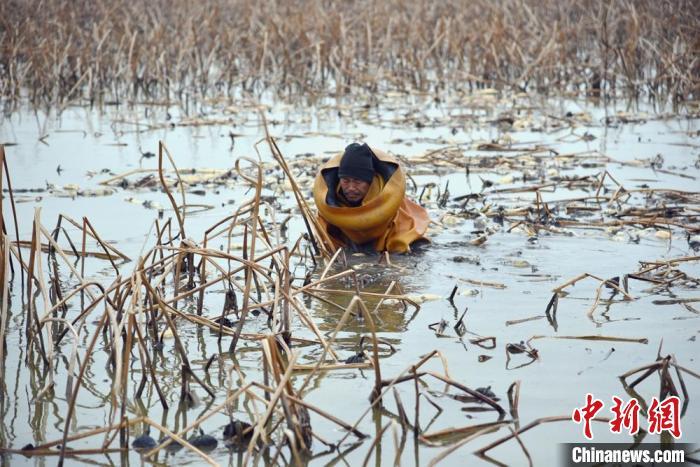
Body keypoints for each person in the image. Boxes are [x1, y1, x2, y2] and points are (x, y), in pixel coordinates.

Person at [312, 143, 430, 253]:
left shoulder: (393, 205)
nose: (351, 187)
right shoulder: (329, 209)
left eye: (358, 181)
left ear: (370, 181)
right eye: (346, 181)